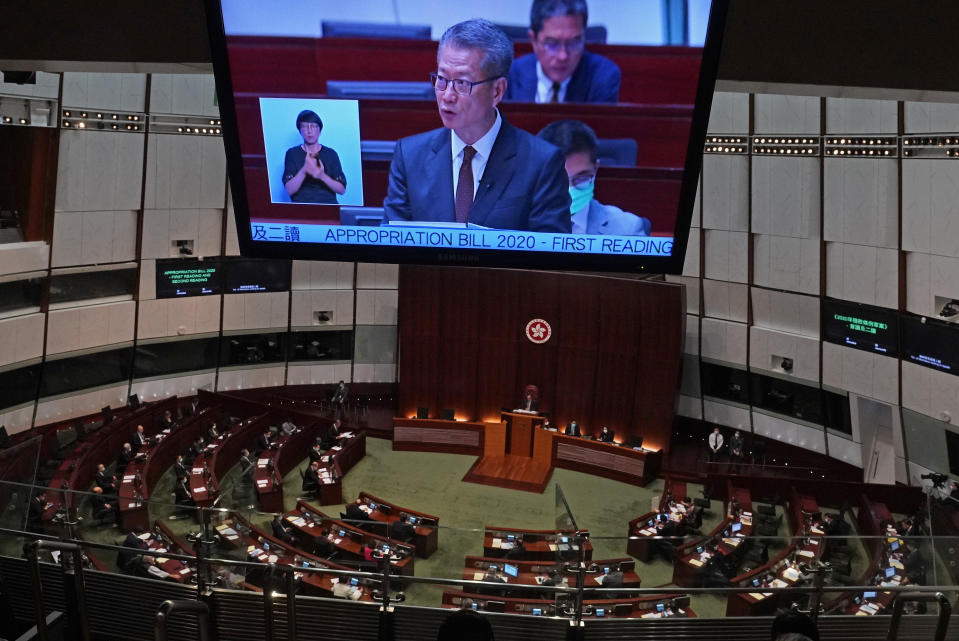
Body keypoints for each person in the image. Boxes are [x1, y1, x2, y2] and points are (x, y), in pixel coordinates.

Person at [382, 19, 571, 233]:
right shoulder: (409, 156)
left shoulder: (542, 163)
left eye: (462, 83)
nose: (448, 96)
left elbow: (548, 259)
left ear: (497, 91)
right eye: (442, 79)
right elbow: (391, 246)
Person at [537, 119, 650, 235]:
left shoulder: (628, 230)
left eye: (581, 178)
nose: (570, 191)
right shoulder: (518, 226)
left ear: (595, 169)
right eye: (559, 180)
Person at [506, 0, 621, 104]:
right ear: (533, 40)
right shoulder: (510, 75)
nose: (563, 56)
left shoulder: (603, 76)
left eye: (573, 42)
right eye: (552, 43)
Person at [282, 110, 346, 204]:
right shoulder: (292, 153)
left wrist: (321, 175)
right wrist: (305, 170)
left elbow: (341, 190)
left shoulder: (331, 153)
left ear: (320, 130)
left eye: (313, 126)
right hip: (301, 205)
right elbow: (289, 190)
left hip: (328, 204)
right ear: (300, 130)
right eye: (304, 126)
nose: (309, 131)